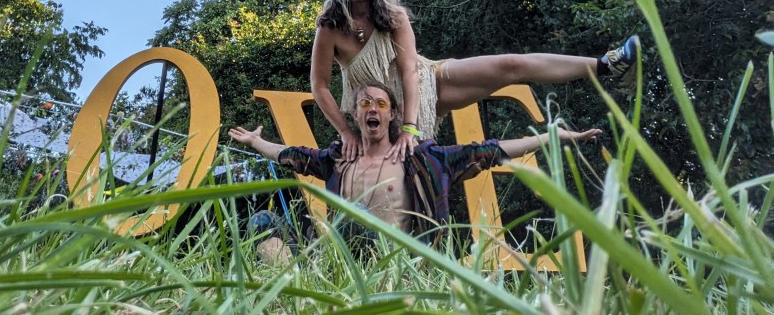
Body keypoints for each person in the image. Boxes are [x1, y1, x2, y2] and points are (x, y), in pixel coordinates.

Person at [311, 0, 640, 162]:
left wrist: (411, 127)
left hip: (426, 85)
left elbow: (409, 71)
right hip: (378, 110)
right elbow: (320, 86)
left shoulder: (393, 17)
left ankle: (608, 65)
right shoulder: (330, 28)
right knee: (414, 171)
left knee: (510, 65)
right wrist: (346, 132)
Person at [228, 81, 601, 256]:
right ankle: (298, 289)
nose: (372, 109)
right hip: (339, 257)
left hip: (397, 260)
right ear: (355, 114)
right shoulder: (338, 158)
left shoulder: (425, 159)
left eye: (380, 104)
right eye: (364, 104)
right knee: (263, 224)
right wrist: (256, 142)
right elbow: (291, 155)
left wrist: (554, 137)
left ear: (392, 114)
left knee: (358, 216)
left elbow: (490, 150)